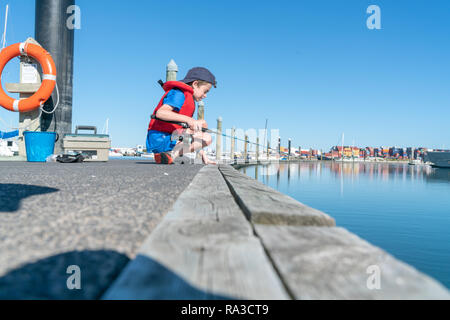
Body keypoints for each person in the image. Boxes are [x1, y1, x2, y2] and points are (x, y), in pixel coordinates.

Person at [147, 67, 217, 165]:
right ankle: (171, 154)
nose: (205, 95)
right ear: (195, 84)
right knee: (206, 136)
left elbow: (195, 137)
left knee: (201, 127)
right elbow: (160, 113)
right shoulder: (179, 94)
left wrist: (204, 157)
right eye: (205, 91)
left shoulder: (187, 98)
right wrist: (189, 120)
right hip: (160, 138)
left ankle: (165, 155)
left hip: (167, 139)